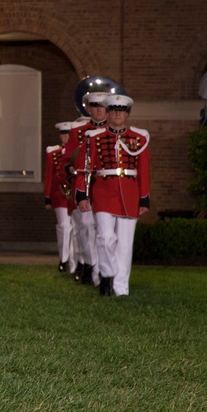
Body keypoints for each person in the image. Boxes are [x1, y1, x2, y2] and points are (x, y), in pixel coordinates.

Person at [75, 94, 150, 297]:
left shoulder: (139, 139)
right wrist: (82, 195)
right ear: (107, 113)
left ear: (127, 114)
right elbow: (84, 168)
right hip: (104, 192)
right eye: (114, 110)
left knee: (125, 244)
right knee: (105, 237)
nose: (118, 114)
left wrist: (144, 198)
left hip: (130, 194)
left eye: (122, 111)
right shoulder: (94, 138)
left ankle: (120, 288)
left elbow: (143, 170)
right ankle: (107, 275)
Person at [61, 93, 109, 285]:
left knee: (104, 230)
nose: (98, 110)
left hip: (106, 186)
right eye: (94, 106)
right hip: (85, 186)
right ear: (88, 109)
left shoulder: (113, 132)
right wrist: (72, 168)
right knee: (86, 227)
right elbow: (65, 160)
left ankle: (103, 269)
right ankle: (90, 264)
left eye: (102, 106)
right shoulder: (78, 131)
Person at [44, 121, 77, 274]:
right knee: (64, 226)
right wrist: (47, 197)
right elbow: (49, 175)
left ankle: (74, 260)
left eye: (67, 134)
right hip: (60, 194)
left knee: (76, 228)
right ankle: (63, 259)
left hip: (76, 193)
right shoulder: (53, 152)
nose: (65, 137)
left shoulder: (77, 151)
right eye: (63, 134)